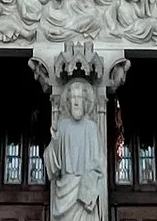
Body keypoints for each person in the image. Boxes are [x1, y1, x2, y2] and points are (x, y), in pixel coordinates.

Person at [47, 76, 108, 221]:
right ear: (68, 101)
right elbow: (53, 163)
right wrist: (55, 135)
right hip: (65, 190)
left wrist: (92, 189)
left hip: (85, 192)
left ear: (85, 101)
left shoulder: (92, 128)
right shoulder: (63, 126)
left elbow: (100, 164)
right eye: (73, 97)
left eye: (79, 97)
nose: (75, 102)